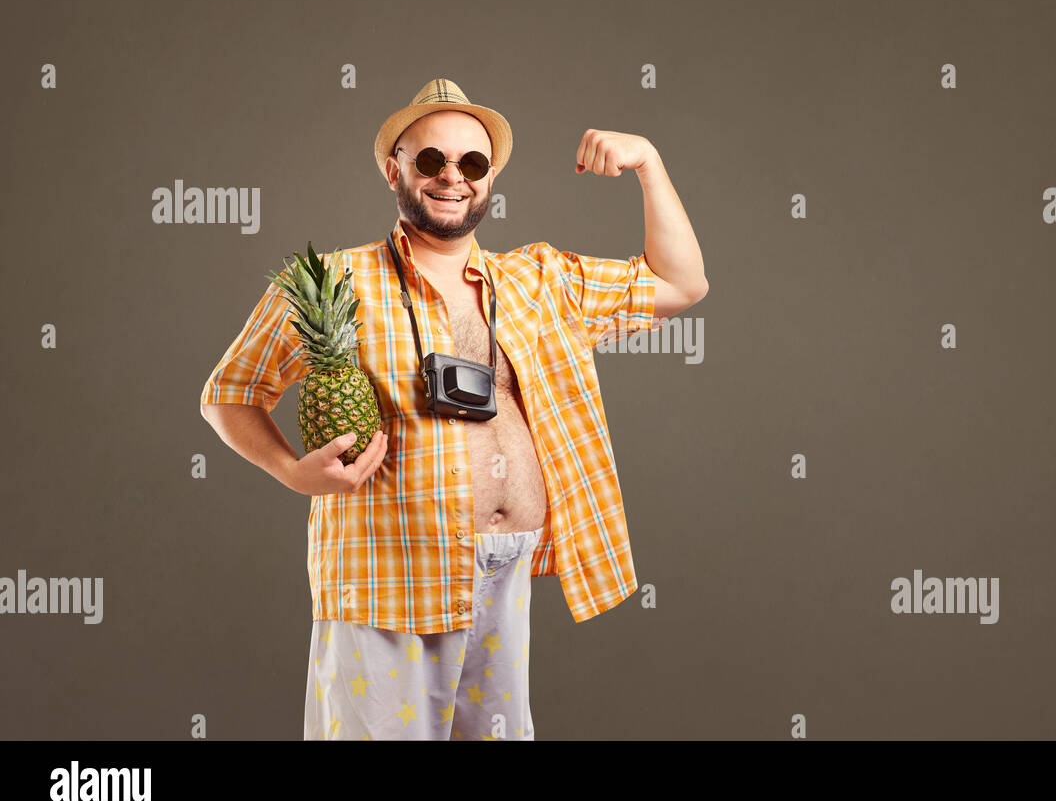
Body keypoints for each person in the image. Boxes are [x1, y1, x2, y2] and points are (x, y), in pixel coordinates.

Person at [199, 78, 708, 740]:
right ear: (394, 170)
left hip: (505, 573)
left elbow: (680, 282)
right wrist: (294, 473)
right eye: (429, 159)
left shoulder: (538, 279)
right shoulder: (335, 280)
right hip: (387, 576)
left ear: (490, 176)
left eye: (471, 163)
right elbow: (229, 393)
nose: (451, 177)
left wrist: (648, 165)